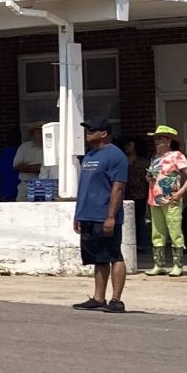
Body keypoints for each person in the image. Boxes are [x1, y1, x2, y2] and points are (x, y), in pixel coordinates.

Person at [72, 119, 129, 312]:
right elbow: (85, 187)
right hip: (87, 214)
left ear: (104, 133)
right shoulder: (89, 156)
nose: (87, 132)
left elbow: (118, 188)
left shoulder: (116, 156)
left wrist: (111, 216)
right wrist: (78, 214)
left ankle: (116, 300)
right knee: (98, 258)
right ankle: (98, 297)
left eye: (92, 129)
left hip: (104, 215)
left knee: (114, 255)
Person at [144, 125, 187, 277]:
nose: (156, 141)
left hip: (171, 199)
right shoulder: (154, 158)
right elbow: (151, 177)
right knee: (157, 233)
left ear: (168, 140)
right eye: (155, 138)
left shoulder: (177, 156)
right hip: (155, 199)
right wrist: (148, 177)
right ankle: (158, 264)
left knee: (175, 231)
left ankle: (178, 264)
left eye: (160, 138)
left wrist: (180, 193)